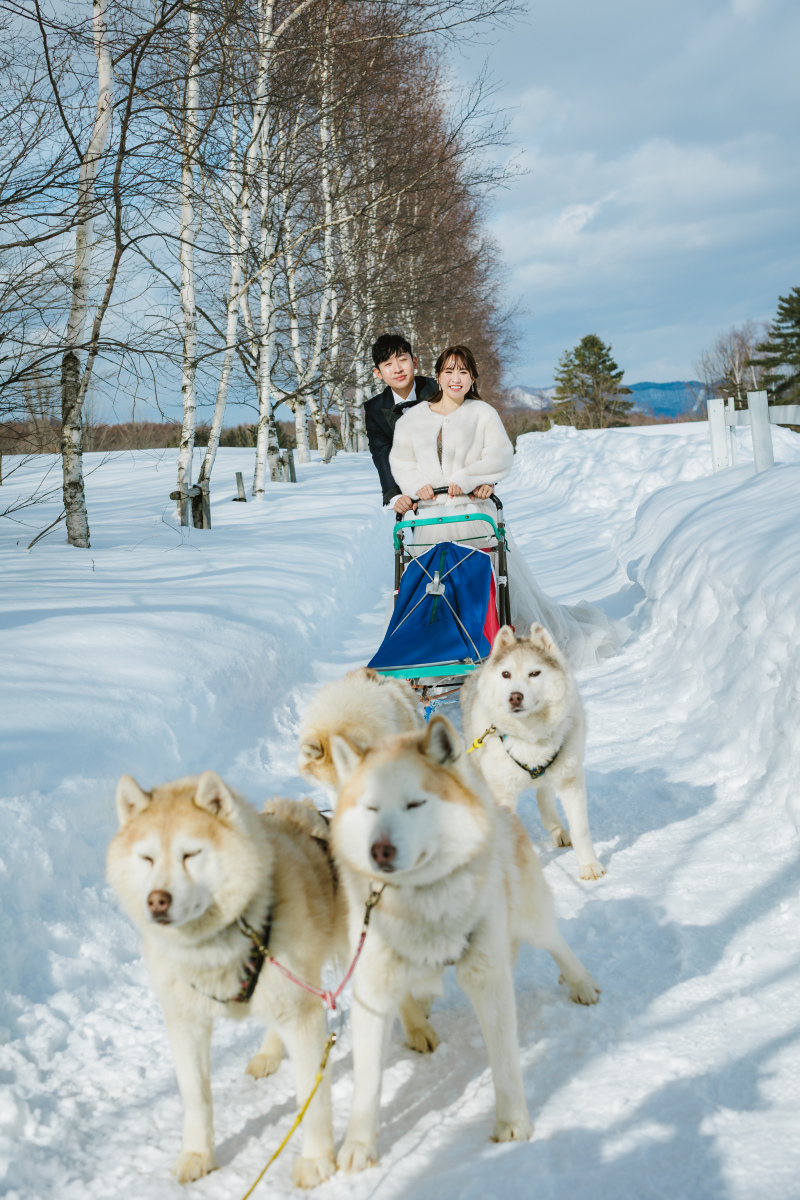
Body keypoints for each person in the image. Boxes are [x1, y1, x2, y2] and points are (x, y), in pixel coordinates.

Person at [389, 344, 624, 669]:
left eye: (463, 372)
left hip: (471, 511)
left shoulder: (482, 414)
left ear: (473, 377)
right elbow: (401, 459)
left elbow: (499, 455)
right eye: (449, 371)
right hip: (431, 512)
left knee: (482, 576)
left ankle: (491, 640)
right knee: (434, 578)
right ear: (438, 376)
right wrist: (417, 485)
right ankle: (437, 647)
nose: (456, 378)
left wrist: (472, 478)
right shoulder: (416, 417)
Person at [364, 333, 437, 513]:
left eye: (402, 360)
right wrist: (396, 496)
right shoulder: (374, 409)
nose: (397, 369)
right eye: (388, 364)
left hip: (457, 487)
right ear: (378, 373)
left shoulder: (440, 390)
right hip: (415, 494)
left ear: (415, 362)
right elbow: (382, 453)